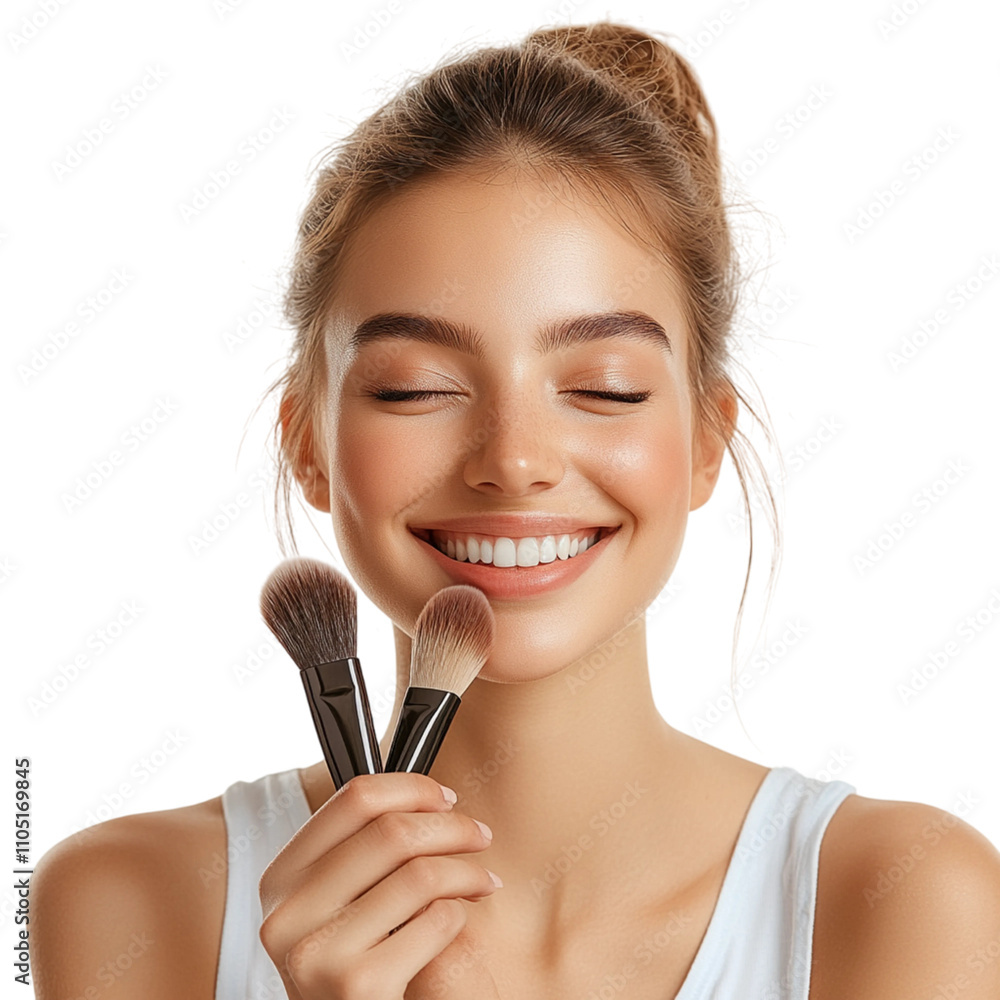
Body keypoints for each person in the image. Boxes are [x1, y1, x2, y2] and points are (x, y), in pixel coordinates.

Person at [30, 19, 1000, 1000]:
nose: (514, 459)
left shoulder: (898, 895)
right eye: (413, 386)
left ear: (705, 439)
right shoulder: (130, 900)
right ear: (307, 444)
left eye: (606, 386)